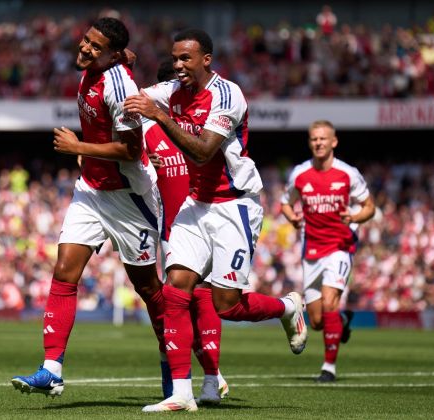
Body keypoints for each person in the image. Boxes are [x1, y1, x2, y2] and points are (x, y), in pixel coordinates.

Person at [125, 28, 308, 412]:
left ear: (205, 59)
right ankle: (180, 394)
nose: (178, 66)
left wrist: (158, 116)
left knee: (227, 305)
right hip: (196, 205)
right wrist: (118, 70)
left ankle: (288, 308)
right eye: (174, 59)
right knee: (175, 291)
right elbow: (133, 98)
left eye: (185, 59)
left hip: (234, 207)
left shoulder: (228, 95)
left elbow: (206, 151)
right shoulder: (171, 91)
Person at [11, 17, 165, 398]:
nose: (85, 49)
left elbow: (131, 149)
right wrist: (120, 56)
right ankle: (52, 369)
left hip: (129, 197)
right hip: (92, 190)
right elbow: (122, 57)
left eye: (96, 47)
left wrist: (78, 148)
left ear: (110, 55)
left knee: (148, 288)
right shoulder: (99, 67)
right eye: (86, 41)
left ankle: (176, 367)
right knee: (64, 271)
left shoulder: (120, 87)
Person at [145, 59, 227, 404]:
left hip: (209, 218)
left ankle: (210, 376)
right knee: (184, 301)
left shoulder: (204, 127)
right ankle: (201, 381)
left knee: (212, 298)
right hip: (173, 230)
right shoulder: (147, 135)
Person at [280, 120, 375, 382]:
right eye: (314, 139)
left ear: (334, 142)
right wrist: (292, 218)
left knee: (331, 299)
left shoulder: (348, 174)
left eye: (323, 139)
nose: (318, 143)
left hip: (340, 246)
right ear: (310, 142)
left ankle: (328, 369)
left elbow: (370, 207)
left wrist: (354, 215)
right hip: (311, 249)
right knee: (318, 320)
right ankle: (342, 321)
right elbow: (285, 203)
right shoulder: (299, 174)